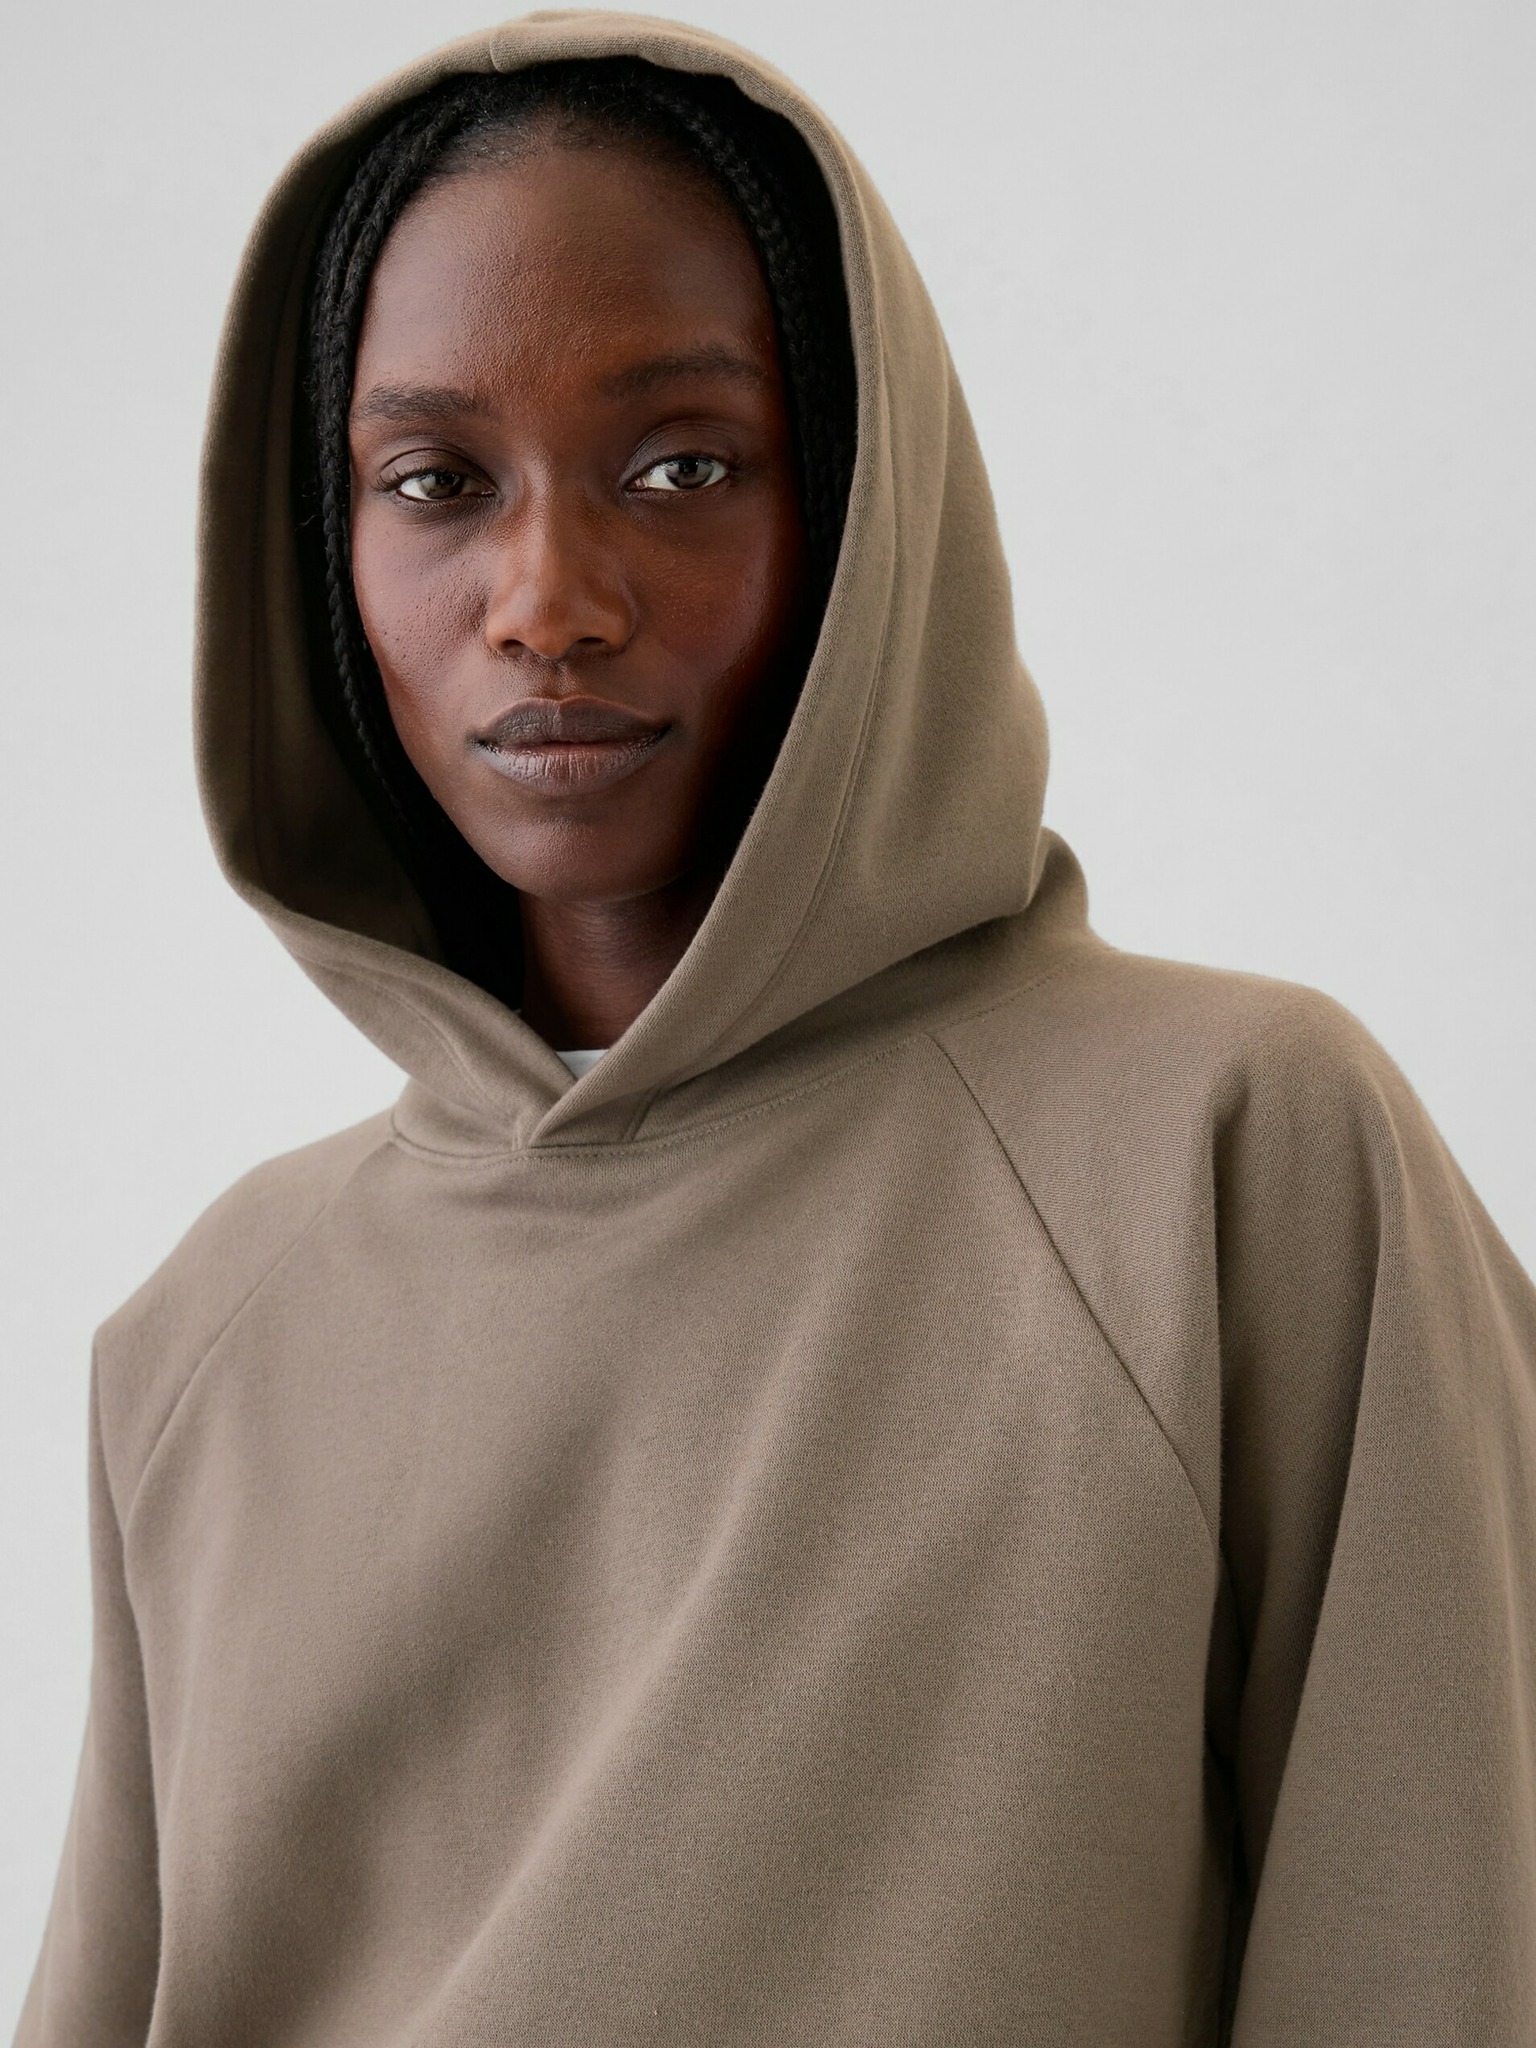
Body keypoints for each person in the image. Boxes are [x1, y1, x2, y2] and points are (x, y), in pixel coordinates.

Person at [16, 15, 1536, 2046]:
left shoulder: (1231, 1156)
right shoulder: (208, 1335)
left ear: (864, 514)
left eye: (683, 465)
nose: (549, 600)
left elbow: (1447, 1945)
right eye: (435, 481)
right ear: (325, 550)